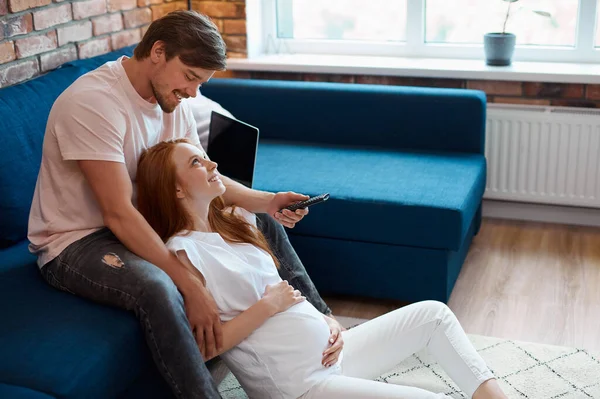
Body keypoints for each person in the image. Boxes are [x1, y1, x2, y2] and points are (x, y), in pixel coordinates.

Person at [27, 10, 332, 399]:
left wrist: (269, 200)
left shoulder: (174, 103)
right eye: (190, 78)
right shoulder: (94, 102)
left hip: (147, 219)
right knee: (158, 286)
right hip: (78, 240)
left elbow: (209, 178)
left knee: (257, 220)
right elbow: (118, 213)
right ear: (157, 51)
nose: (192, 93)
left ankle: (323, 322)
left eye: (200, 83)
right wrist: (190, 285)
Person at [136, 138, 509, 399]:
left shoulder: (234, 221)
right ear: (176, 191)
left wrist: (326, 322)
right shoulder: (182, 254)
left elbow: (284, 294)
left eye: (204, 155)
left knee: (434, 315)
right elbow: (202, 350)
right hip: (299, 386)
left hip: (332, 354)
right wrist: (267, 307)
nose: (212, 163)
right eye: (196, 162)